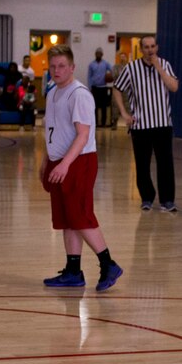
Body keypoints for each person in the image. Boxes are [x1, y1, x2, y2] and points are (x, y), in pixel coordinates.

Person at [38, 47, 124, 292]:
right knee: (67, 219)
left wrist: (65, 163)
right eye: (53, 66)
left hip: (79, 161)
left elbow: (83, 134)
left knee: (80, 216)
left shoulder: (79, 94)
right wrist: (47, 160)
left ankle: (109, 264)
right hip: (60, 160)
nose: (57, 70)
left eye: (62, 66)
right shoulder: (53, 92)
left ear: (72, 67)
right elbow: (53, 131)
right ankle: (73, 271)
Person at [111, 34, 180, 213]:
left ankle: (167, 200)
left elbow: (174, 87)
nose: (150, 50)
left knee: (165, 163)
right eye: (146, 47)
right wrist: (124, 114)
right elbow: (117, 89)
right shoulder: (131, 68)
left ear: (157, 48)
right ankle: (147, 197)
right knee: (142, 165)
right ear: (141, 50)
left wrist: (159, 68)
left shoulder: (164, 65)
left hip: (163, 124)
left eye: (152, 46)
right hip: (141, 126)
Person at [87, 48, 114, 128]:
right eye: (97, 53)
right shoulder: (91, 64)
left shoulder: (105, 63)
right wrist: (90, 87)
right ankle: (95, 123)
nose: (98, 54)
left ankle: (103, 123)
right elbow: (89, 76)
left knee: (103, 106)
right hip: (95, 88)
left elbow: (112, 70)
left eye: (100, 53)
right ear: (95, 54)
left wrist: (110, 76)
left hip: (104, 88)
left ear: (102, 54)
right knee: (94, 106)